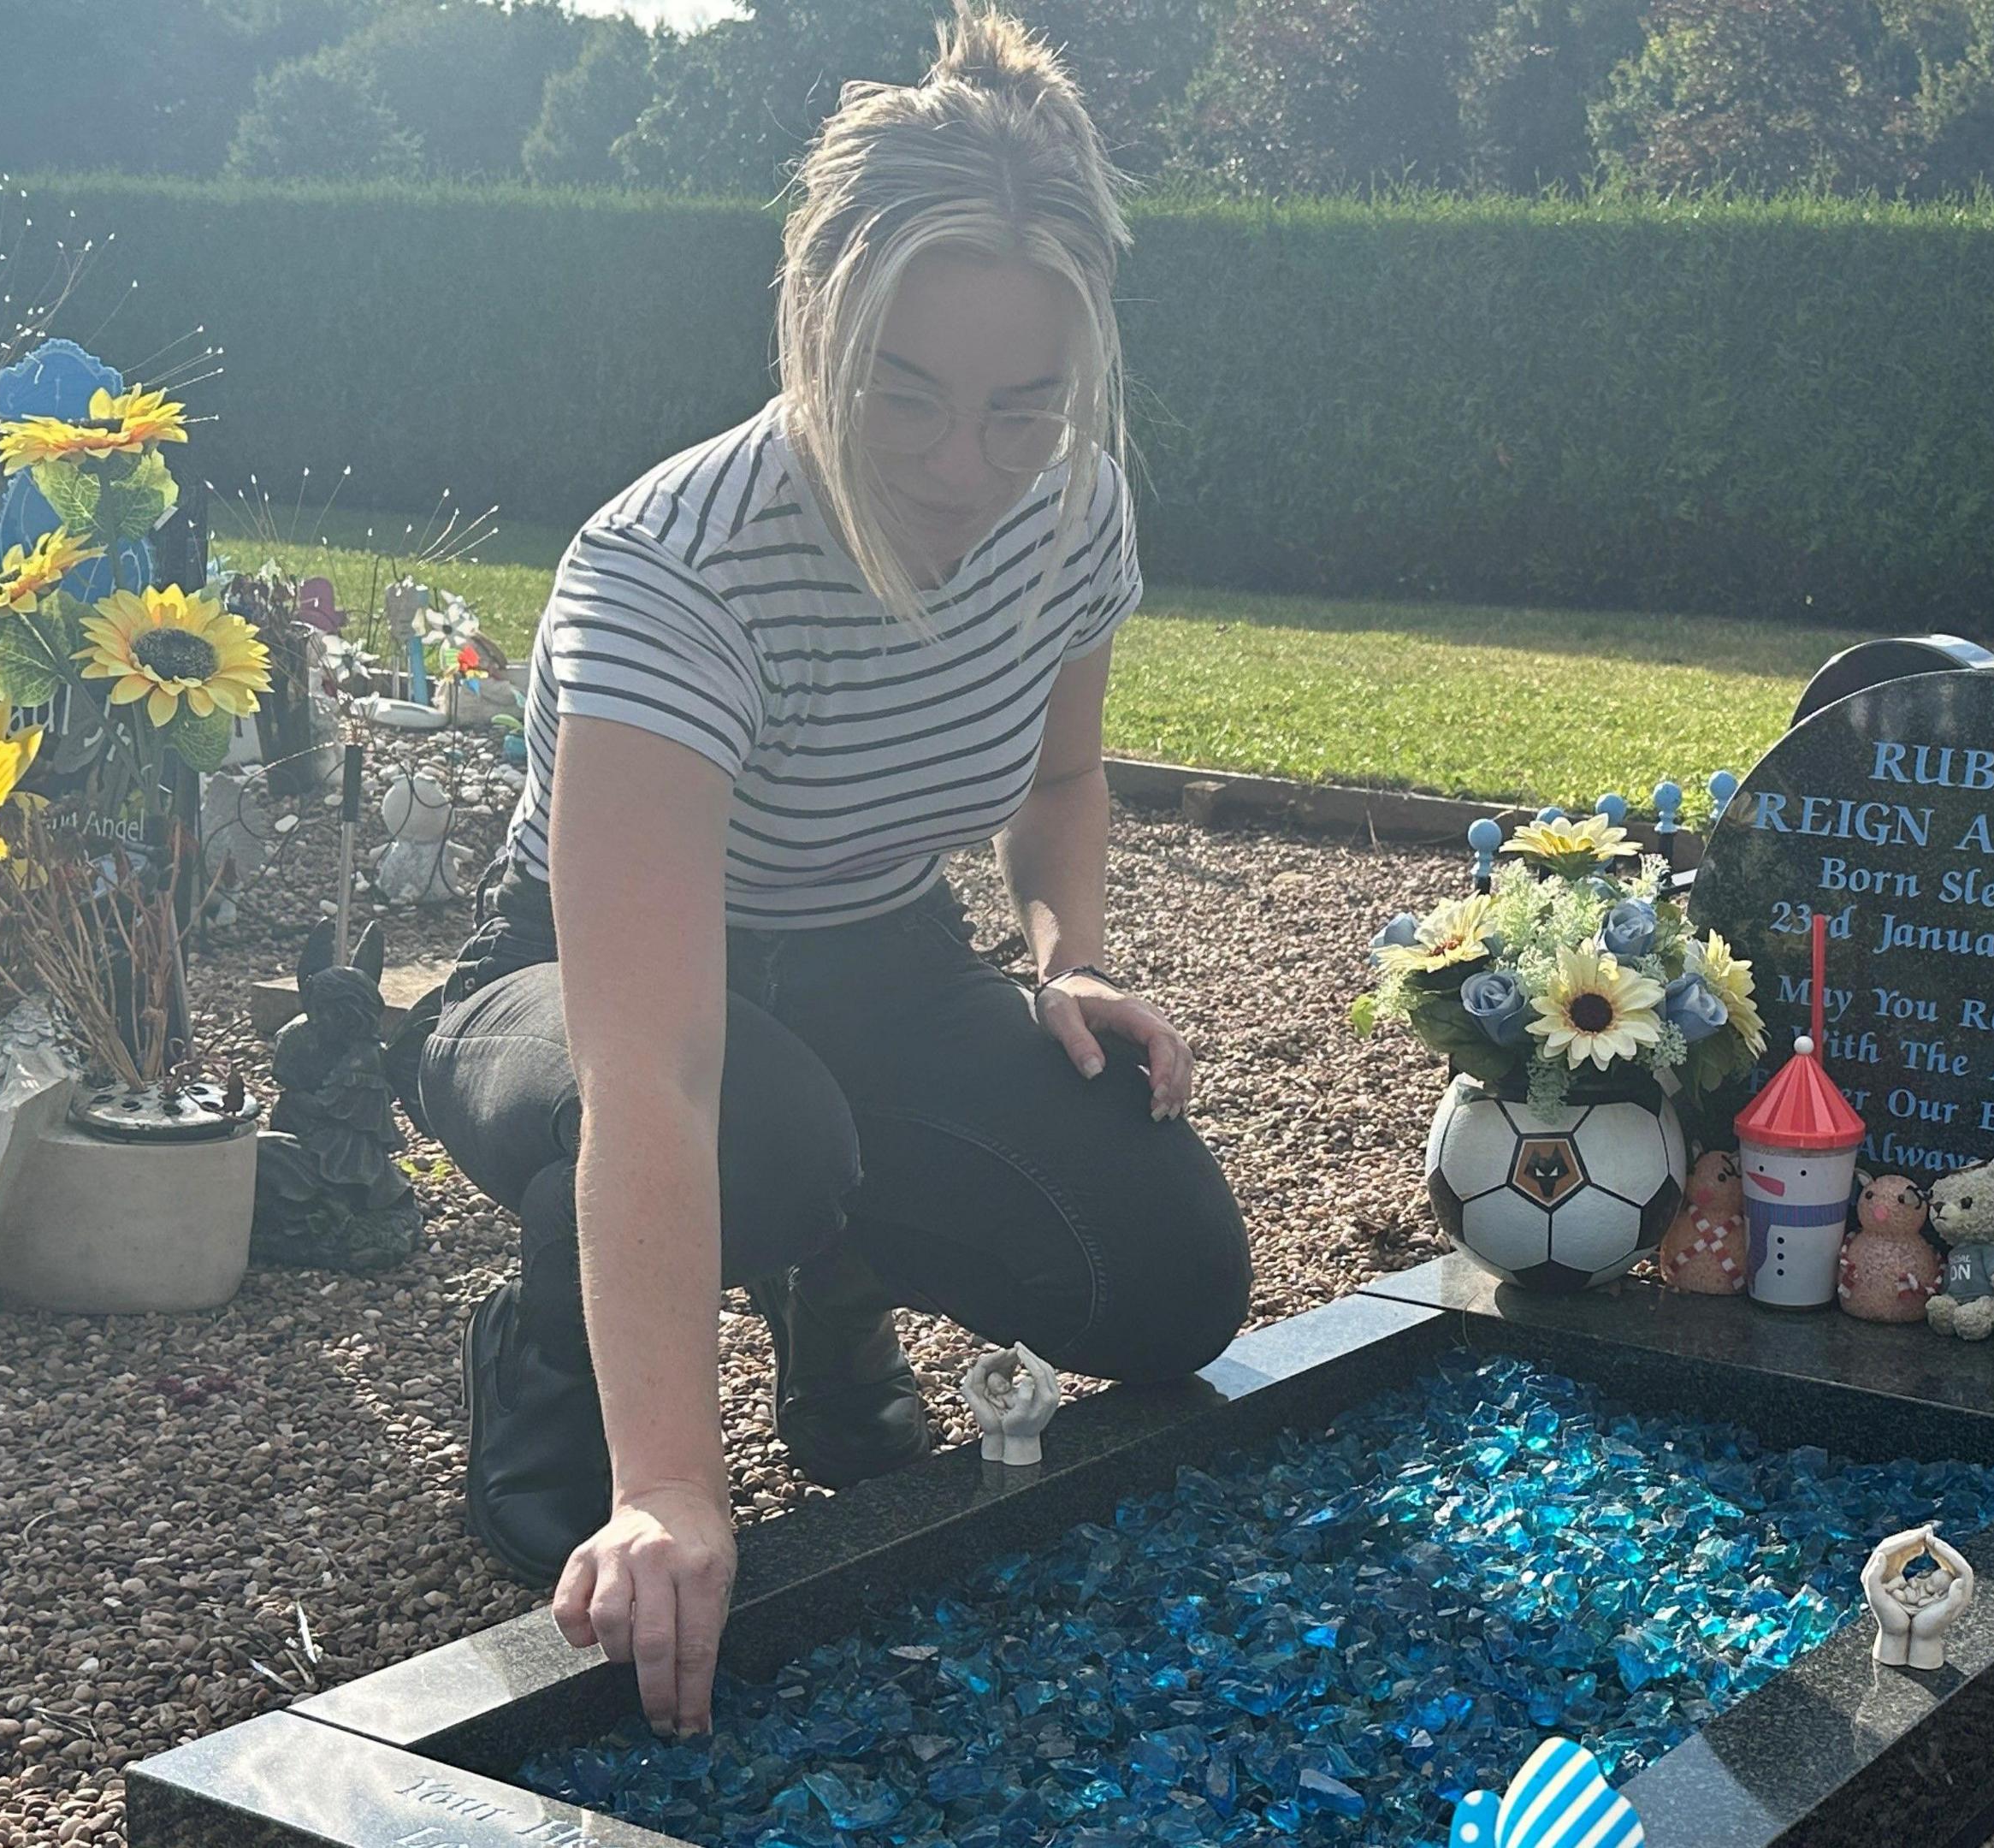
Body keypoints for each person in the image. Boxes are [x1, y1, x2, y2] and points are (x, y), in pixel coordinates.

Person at [405, 6, 1251, 1739]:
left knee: (1174, 1289)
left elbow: (1064, 775)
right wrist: (667, 1485)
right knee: (750, 1135)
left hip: (878, 956)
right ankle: (554, 1362)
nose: (963, 470)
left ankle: (825, 1276)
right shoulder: (671, 575)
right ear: (812, 322)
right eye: (904, 395)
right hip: (577, 993)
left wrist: (1065, 956)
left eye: (1020, 407)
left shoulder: (1073, 508)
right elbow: (654, 1069)